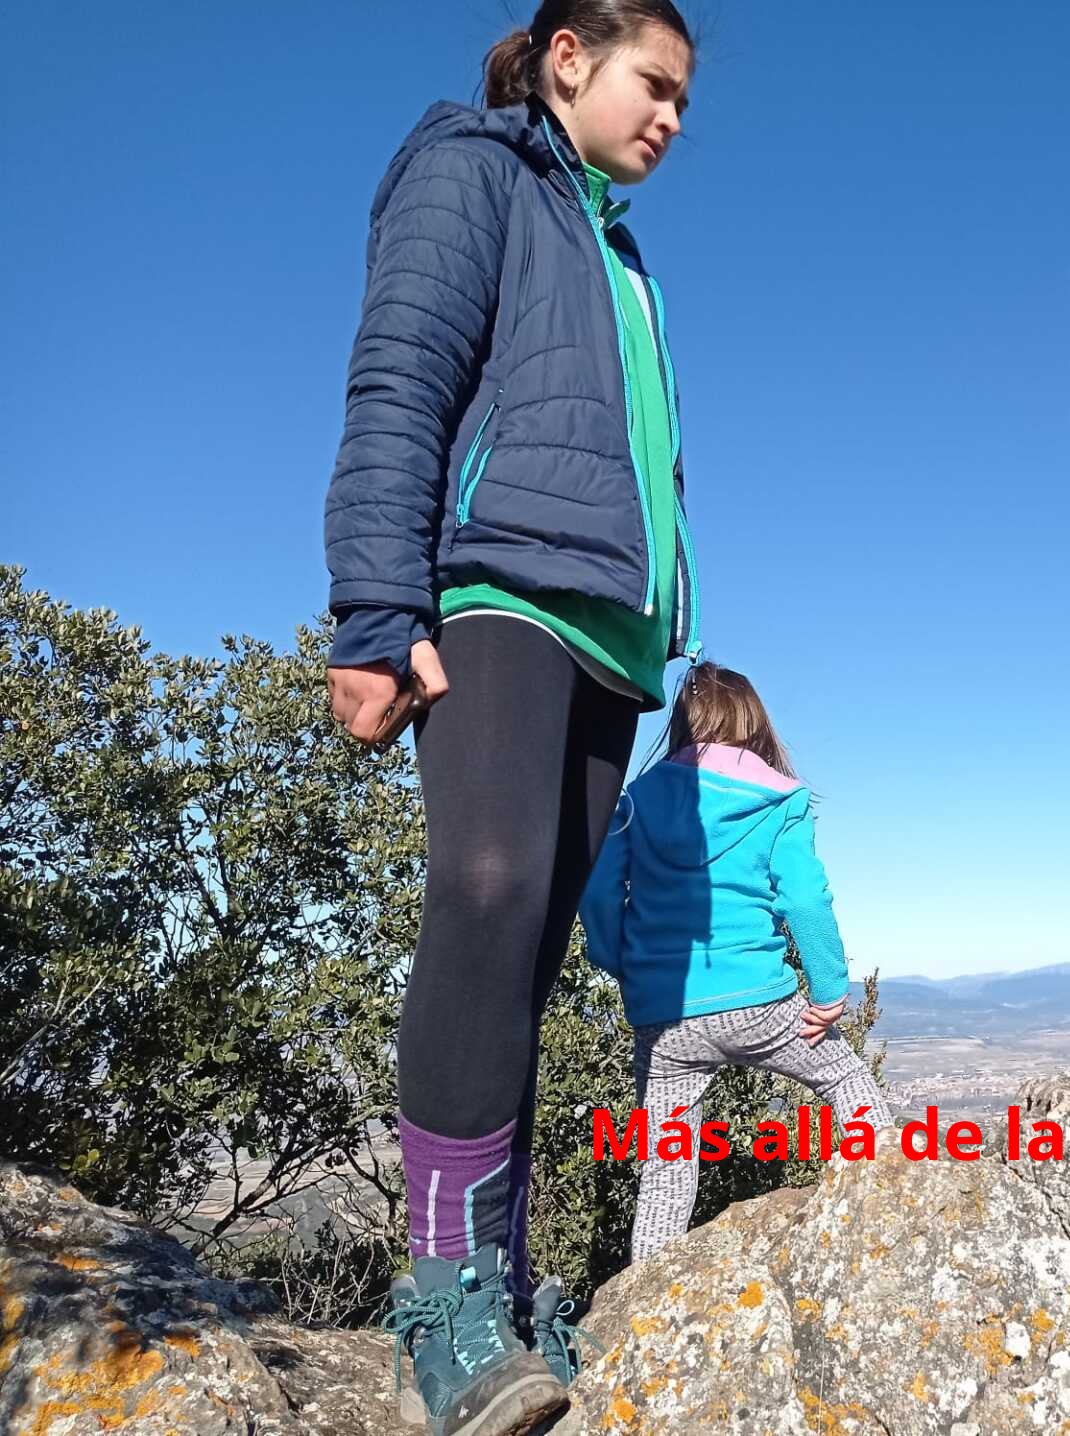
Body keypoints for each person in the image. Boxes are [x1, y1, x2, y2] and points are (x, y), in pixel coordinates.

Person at [321, 4, 701, 1431]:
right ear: (568, 56)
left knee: (526, 956)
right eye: (654, 84)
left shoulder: (623, 253)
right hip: (498, 589)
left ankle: (508, 1280)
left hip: (611, 634)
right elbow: (401, 378)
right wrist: (376, 606)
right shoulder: (473, 167)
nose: (672, 118)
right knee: (483, 893)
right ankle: (443, 1297)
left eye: (684, 99)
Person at [580, 664, 893, 1264]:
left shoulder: (636, 799)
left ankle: (647, 1294)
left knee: (666, 1167)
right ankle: (891, 1204)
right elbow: (805, 899)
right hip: (762, 1004)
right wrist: (830, 990)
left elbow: (598, 893)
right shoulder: (779, 800)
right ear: (752, 720)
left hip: (665, 1017)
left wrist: (620, 962)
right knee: (845, 1078)